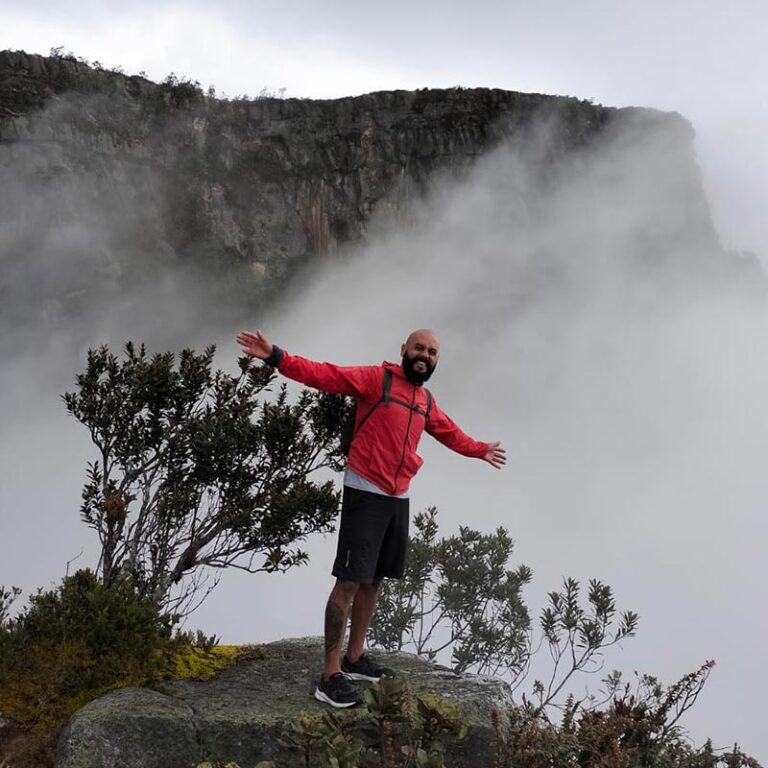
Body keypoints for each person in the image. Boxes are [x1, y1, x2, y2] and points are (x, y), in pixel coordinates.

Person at [236, 328, 506, 707]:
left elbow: (449, 433)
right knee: (348, 581)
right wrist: (276, 355)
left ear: (436, 360)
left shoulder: (424, 400)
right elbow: (324, 374)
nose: (424, 355)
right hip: (365, 490)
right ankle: (330, 675)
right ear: (404, 350)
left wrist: (479, 450)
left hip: (398, 497)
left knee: (374, 580)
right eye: (418, 348)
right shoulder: (375, 380)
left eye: (431, 352)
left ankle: (356, 656)